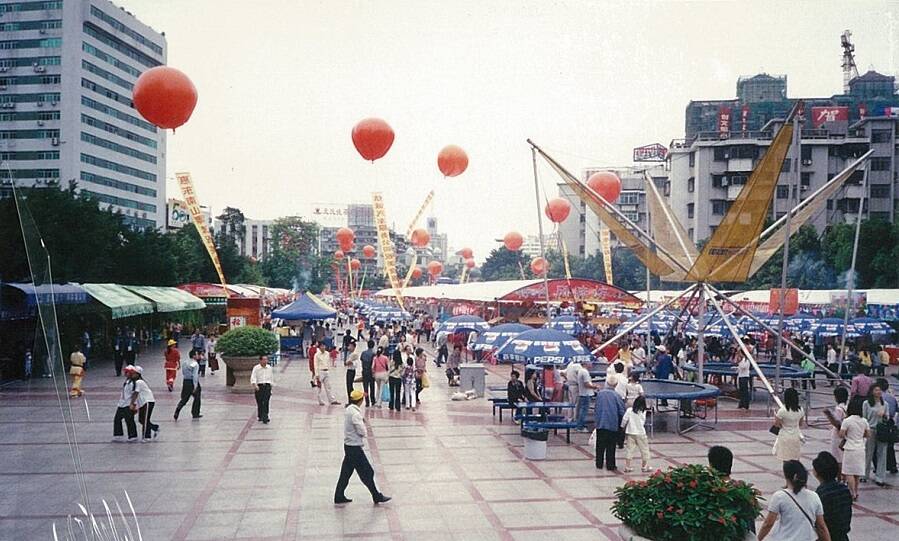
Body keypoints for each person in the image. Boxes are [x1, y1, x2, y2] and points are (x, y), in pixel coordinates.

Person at [334, 390, 391, 505]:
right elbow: (362, 431)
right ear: (360, 400)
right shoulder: (355, 414)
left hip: (349, 446)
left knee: (346, 472)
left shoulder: (350, 409)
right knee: (367, 472)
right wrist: (364, 427)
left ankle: (339, 495)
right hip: (354, 448)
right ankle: (376, 495)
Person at [758, 460, 832, 541]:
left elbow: (768, 524)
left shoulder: (779, 496)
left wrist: (758, 538)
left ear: (786, 476)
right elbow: (821, 526)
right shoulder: (814, 496)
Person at [813, 451, 852, 541]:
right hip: (843, 535)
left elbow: (820, 524)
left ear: (817, 473)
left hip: (828, 536)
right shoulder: (844, 489)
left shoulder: (820, 493)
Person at [839, 396, 869, 500]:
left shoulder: (847, 421)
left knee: (849, 472)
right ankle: (856, 491)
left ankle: (852, 493)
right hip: (860, 448)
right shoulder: (864, 421)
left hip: (850, 448)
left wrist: (848, 435)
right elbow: (867, 434)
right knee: (857, 473)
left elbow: (841, 434)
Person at [594, 379, 625, 471]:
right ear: (616, 384)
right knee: (611, 445)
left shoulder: (600, 394)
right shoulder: (616, 395)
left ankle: (599, 463)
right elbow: (621, 410)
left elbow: (596, 407)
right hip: (612, 423)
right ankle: (610, 464)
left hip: (600, 422)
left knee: (600, 444)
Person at [862, 384, 888, 486]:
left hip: (882, 430)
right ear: (872, 391)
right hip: (871, 429)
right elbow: (864, 418)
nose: (878, 392)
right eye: (876, 390)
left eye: (880, 390)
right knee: (868, 452)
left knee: (882, 453)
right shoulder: (867, 403)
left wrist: (884, 415)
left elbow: (888, 417)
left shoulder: (884, 404)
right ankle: (864, 474)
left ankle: (880, 477)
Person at [772, 388, 804, 462]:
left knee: (786, 459)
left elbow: (777, 425)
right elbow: (801, 424)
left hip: (785, 436)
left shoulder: (782, 411)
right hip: (796, 435)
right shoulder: (801, 409)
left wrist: (776, 417)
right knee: (796, 459)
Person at [823, 387, 850, 471]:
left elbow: (836, 423)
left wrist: (829, 415)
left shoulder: (839, 409)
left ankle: (840, 476)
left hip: (838, 435)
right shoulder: (847, 407)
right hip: (845, 434)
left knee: (838, 458)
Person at [622, 395, 650, 473]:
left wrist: (622, 427)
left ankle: (627, 466)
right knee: (644, 450)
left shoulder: (629, 410)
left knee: (629, 450)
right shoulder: (643, 411)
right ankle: (644, 466)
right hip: (641, 433)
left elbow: (624, 420)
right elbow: (643, 421)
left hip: (630, 432)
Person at [875, 377, 898, 473]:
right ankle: (892, 466)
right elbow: (896, 409)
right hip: (890, 423)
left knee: (877, 447)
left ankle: (879, 468)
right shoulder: (892, 397)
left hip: (880, 423)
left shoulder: (877, 398)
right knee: (890, 446)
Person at [132, 366, 159, 441]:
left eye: (133, 373)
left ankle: (147, 436)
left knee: (145, 419)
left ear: (138, 374)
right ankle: (155, 427)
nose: (132, 375)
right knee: (141, 420)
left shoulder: (139, 382)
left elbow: (136, 393)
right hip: (142, 403)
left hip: (147, 401)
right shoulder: (135, 382)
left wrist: (132, 403)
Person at [173, 350, 202, 420]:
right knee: (197, 398)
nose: (198, 356)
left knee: (184, 398)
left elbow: (183, 372)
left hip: (186, 381)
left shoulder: (185, 363)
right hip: (192, 382)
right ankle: (195, 413)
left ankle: (178, 410)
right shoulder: (195, 364)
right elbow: (195, 375)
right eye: (197, 354)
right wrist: (195, 386)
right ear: (193, 356)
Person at [113, 367, 139, 442]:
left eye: (127, 372)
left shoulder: (133, 384)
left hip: (128, 404)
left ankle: (133, 436)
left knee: (129, 420)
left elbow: (135, 394)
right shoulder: (127, 382)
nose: (125, 374)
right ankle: (118, 434)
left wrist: (133, 405)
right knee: (117, 419)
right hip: (121, 404)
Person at [251, 355, 273, 424]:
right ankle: (260, 415)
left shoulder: (269, 368)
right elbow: (253, 377)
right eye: (264, 360)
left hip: (267, 386)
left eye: (266, 360)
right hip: (259, 386)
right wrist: (255, 385)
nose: (265, 361)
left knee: (266, 402)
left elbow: (271, 377)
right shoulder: (256, 368)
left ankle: (265, 416)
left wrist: (271, 387)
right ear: (260, 360)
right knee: (260, 402)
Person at [575, 361, 596, 429]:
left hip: (582, 393)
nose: (591, 364)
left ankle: (579, 424)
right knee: (584, 411)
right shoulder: (585, 372)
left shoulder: (581, 371)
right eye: (590, 363)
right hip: (586, 394)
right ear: (586, 364)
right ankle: (580, 426)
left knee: (581, 410)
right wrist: (595, 387)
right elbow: (586, 384)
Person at [387, 346, 405, 411]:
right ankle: (397, 406)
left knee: (391, 392)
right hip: (398, 379)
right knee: (398, 392)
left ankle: (391, 405)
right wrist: (400, 374)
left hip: (391, 378)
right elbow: (403, 372)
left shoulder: (391, 362)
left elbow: (388, 369)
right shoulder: (402, 364)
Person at [360, 340, 376, 407]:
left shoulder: (363, 353)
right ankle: (373, 400)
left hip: (364, 371)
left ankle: (367, 402)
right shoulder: (374, 354)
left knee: (365, 387)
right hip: (371, 372)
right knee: (372, 387)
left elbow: (362, 361)